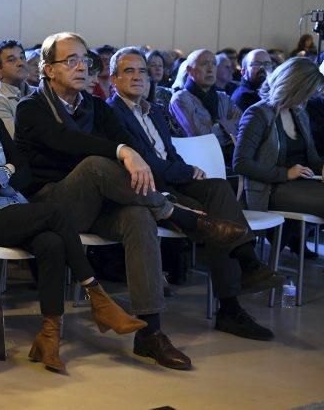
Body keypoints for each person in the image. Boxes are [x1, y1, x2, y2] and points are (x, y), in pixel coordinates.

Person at [15, 32, 250, 370]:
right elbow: (67, 141)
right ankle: (181, 217)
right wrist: (121, 151)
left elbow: (128, 141)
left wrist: (127, 150)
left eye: (85, 59)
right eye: (71, 61)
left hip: (99, 204)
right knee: (96, 164)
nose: (82, 66)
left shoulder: (94, 105)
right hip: (54, 206)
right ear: (49, 70)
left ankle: (151, 332)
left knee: (139, 217)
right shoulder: (31, 107)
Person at [0, 52, 148, 373]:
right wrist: (7, 169)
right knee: (56, 214)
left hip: (15, 209)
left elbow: (25, 174)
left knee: (51, 244)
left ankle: (49, 338)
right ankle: (97, 298)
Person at [107, 47, 282, 340]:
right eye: (129, 71)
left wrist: (188, 169)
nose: (138, 77)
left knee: (219, 186)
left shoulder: (154, 112)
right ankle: (234, 297)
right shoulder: (111, 114)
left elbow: (170, 154)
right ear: (113, 79)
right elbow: (145, 164)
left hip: (173, 180)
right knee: (215, 213)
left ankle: (245, 267)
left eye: (142, 71)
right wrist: (186, 172)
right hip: (147, 190)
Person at [234, 57, 324, 260]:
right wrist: (286, 173)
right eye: (308, 92)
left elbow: (311, 157)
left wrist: (321, 168)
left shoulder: (298, 113)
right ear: (294, 87)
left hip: (299, 184)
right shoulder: (258, 113)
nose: (310, 97)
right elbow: (240, 162)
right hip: (270, 188)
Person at [170, 49, 242, 162]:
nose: (210, 69)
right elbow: (200, 138)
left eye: (214, 64)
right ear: (189, 70)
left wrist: (217, 126)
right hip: (199, 161)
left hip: (230, 157)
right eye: (204, 64)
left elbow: (241, 128)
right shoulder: (181, 98)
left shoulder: (223, 97)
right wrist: (226, 126)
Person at [0, 39, 34, 138]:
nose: (20, 63)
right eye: (11, 60)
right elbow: (17, 141)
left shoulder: (38, 92)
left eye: (22, 57)